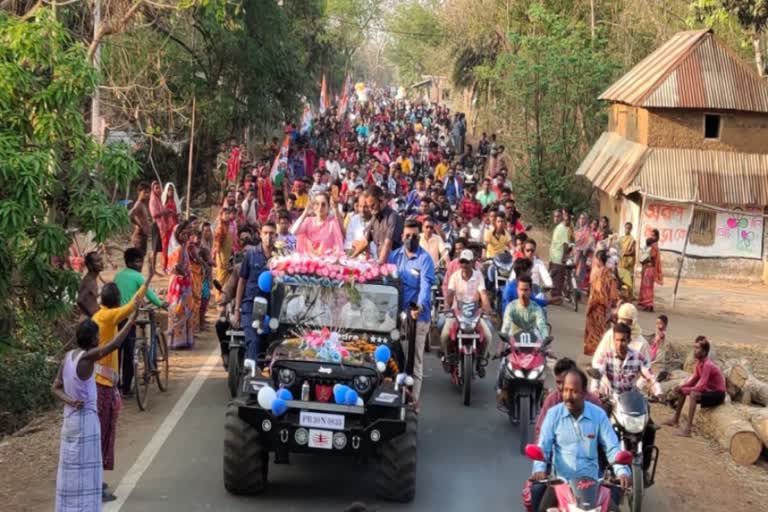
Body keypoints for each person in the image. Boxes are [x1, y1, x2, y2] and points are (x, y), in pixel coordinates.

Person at [53, 312, 139, 512]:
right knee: (88, 471)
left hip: (69, 422)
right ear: (93, 339)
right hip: (86, 422)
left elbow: (55, 387)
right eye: (98, 335)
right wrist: (131, 322)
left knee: (70, 470)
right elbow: (115, 345)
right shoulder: (88, 357)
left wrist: (70, 401)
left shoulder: (67, 358)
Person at [91, 263, 154, 501]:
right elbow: (131, 307)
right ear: (115, 301)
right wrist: (145, 284)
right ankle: (95, 486)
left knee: (102, 434)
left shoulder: (99, 314)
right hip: (103, 385)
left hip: (102, 383)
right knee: (102, 435)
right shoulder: (108, 316)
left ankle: (97, 481)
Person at [530, 369, 630, 512]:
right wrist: (539, 470)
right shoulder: (553, 415)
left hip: (594, 486)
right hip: (561, 484)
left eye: (574, 392)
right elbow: (543, 447)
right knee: (537, 493)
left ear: (584, 393)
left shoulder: (599, 415)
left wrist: (622, 471)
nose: (568, 396)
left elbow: (612, 447)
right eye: (565, 391)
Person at [387, 219, 435, 406]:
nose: (410, 239)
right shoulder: (394, 256)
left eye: (414, 236)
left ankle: (413, 403)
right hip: (394, 317)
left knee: (414, 362)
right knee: (390, 355)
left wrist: (420, 306)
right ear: (402, 236)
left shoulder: (425, 259)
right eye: (407, 236)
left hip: (418, 318)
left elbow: (425, 287)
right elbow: (387, 280)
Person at [113, 248, 166, 396]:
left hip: (116, 317)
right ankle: (126, 388)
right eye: (137, 262)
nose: (140, 264)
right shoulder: (138, 277)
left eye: (141, 261)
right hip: (129, 317)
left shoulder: (118, 275)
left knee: (117, 352)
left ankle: (116, 386)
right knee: (129, 353)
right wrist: (161, 304)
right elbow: (148, 293)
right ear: (129, 262)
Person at [440, 249, 494, 374]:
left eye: (467, 262)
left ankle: (481, 362)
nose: (464, 265)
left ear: (472, 263)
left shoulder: (478, 275)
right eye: (462, 262)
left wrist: (487, 308)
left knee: (488, 336)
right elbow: (450, 293)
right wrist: (446, 306)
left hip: (475, 313)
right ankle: (448, 357)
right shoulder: (455, 276)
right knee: (444, 335)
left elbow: (483, 294)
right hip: (457, 311)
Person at [664, 336, 726, 437]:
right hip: (709, 391)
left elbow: (701, 386)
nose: (694, 351)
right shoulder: (699, 364)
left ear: (705, 352)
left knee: (693, 394)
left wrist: (684, 388)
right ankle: (675, 419)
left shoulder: (707, 365)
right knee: (683, 391)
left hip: (718, 394)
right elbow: (693, 381)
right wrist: (681, 387)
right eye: (694, 347)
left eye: (697, 348)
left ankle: (688, 429)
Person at [234, 223, 276, 365]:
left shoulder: (281, 257)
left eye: (271, 234)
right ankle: (251, 377)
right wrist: (237, 310)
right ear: (260, 234)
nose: (268, 237)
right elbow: (242, 281)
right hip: (250, 306)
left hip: (272, 309)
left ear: (276, 236)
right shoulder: (251, 254)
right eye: (265, 233)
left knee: (273, 342)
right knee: (253, 340)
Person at [534, 358, 601, 441]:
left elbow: (602, 434)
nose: (561, 387)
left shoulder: (593, 402)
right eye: (558, 382)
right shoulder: (552, 400)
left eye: (565, 381)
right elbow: (541, 429)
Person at [592, 322, 662, 397]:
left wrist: (658, 392)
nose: (619, 344)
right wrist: (595, 389)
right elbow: (598, 371)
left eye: (623, 340)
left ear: (629, 340)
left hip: (632, 398)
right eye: (617, 340)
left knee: (645, 407)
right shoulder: (607, 356)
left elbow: (649, 376)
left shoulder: (638, 357)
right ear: (613, 340)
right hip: (611, 398)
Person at [353, 185, 403, 264]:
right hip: (381, 262)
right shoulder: (375, 217)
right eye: (369, 207)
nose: (371, 209)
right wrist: (351, 257)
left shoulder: (393, 217)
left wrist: (379, 265)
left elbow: (387, 245)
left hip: (395, 265)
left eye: (373, 205)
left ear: (382, 200)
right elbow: (365, 241)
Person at [583, 250, 619, 356]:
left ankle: (596, 354)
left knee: (595, 331)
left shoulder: (597, 274)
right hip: (606, 307)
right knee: (604, 330)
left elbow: (595, 293)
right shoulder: (611, 275)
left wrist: (590, 306)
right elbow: (614, 294)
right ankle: (602, 354)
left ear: (598, 260)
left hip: (596, 306)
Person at [167, 221, 195, 349]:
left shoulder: (183, 248)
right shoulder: (178, 249)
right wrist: (184, 273)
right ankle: (176, 340)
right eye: (182, 234)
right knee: (178, 310)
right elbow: (175, 266)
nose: (184, 236)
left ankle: (183, 340)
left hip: (185, 284)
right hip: (178, 285)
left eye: (186, 233)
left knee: (186, 310)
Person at [500, 274, 549, 340]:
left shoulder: (536, 308)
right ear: (517, 290)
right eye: (521, 290)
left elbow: (541, 325)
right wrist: (503, 338)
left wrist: (546, 338)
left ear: (530, 291)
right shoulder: (511, 307)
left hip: (533, 341)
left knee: (547, 348)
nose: (523, 293)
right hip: (513, 341)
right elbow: (506, 325)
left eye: (526, 290)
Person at [213, 208, 235, 301]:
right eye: (225, 214)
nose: (227, 216)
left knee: (225, 276)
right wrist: (219, 258)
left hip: (227, 254)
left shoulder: (228, 226)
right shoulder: (220, 228)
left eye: (228, 214)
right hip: (221, 255)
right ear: (221, 215)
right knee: (220, 277)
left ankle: (221, 296)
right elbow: (217, 245)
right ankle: (218, 297)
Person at [638, 229, 662, 312]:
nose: (652, 237)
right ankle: (647, 304)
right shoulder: (654, 246)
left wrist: (643, 260)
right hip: (649, 268)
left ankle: (649, 305)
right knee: (648, 287)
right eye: (651, 235)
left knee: (647, 287)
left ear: (657, 237)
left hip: (649, 268)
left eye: (654, 235)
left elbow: (650, 258)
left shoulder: (653, 247)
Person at [548, 209, 568, 305]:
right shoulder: (557, 228)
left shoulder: (562, 228)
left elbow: (565, 244)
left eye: (558, 216)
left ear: (561, 217)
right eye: (554, 216)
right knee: (553, 279)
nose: (556, 218)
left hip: (559, 258)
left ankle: (557, 299)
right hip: (554, 257)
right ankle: (555, 297)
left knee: (558, 280)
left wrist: (564, 257)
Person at [77, 251, 104, 317]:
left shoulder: (93, 278)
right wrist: (92, 316)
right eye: (97, 261)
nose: (101, 263)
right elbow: (80, 300)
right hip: (92, 319)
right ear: (90, 266)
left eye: (101, 259)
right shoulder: (89, 281)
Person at [129, 182, 152, 254]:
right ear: (139, 192)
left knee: (141, 257)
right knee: (138, 259)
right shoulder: (138, 204)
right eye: (145, 192)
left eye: (148, 192)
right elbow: (130, 214)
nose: (147, 194)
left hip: (143, 236)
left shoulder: (143, 204)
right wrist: (138, 226)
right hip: (139, 236)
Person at [618, 222, 636, 297]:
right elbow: (618, 248)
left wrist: (625, 254)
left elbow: (633, 252)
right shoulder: (621, 238)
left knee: (628, 282)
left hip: (628, 263)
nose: (627, 230)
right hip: (621, 262)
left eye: (629, 228)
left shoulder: (632, 240)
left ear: (631, 229)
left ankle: (629, 298)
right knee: (619, 281)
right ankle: (619, 296)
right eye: (626, 228)